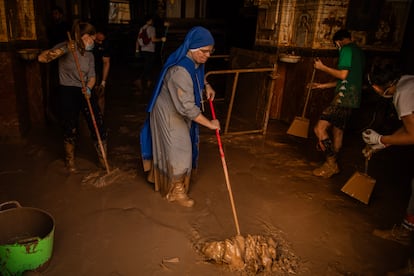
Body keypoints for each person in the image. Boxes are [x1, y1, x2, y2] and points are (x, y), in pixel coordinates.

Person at [139, 26, 220, 207]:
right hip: (169, 111)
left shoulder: (194, 60)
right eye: (204, 51)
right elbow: (188, 109)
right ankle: (176, 191)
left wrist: (206, 85)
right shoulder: (180, 71)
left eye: (210, 51)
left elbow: (198, 73)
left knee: (179, 146)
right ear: (193, 48)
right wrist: (210, 124)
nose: (208, 55)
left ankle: (168, 182)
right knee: (180, 148)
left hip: (178, 106)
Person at [362, 61, 414, 275]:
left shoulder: (404, 94)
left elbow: (413, 135)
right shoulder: (408, 81)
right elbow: (408, 125)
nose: (375, 89)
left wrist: (381, 138)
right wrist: (384, 143)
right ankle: (406, 231)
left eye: (375, 85)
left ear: (384, 85)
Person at [38, 20, 107, 173]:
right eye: (91, 39)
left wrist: (89, 88)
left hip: (84, 90)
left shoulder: (89, 55)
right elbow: (41, 58)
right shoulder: (66, 46)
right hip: (68, 90)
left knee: (97, 123)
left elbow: (92, 76)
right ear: (82, 36)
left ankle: (103, 161)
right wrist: (63, 50)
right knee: (70, 126)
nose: (92, 42)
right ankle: (70, 162)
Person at [310, 29, 365, 178]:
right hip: (352, 99)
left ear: (338, 42)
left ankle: (331, 164)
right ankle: (332, 163)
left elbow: (342, 75)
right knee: (337, 131)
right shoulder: (358, 52)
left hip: (342, 98)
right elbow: (346, 80)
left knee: (319, 129)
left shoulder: (346, 49)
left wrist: (322, 68)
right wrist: (322, 86)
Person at [135, 15, 167, 93]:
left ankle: (148, 81)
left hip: (143, 49)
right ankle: (139, 79)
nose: (152, 22)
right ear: (149, 21)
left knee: (147, 65)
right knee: (148, 66)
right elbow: (153, 40)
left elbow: (138, 40)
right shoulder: (152, 28)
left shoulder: (142, 28)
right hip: (150, 50)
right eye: (151, 20)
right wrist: (161, 39)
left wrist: (137, 50)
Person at [93, 29, 111, 115]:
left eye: (102, 41)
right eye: (98, 40)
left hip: (98, 72)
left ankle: (100, 117)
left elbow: (106, 63)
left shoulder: (105, 44)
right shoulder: (88, 43)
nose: (100, 42)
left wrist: (103, 82)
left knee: (100, 94)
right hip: (87, 72)